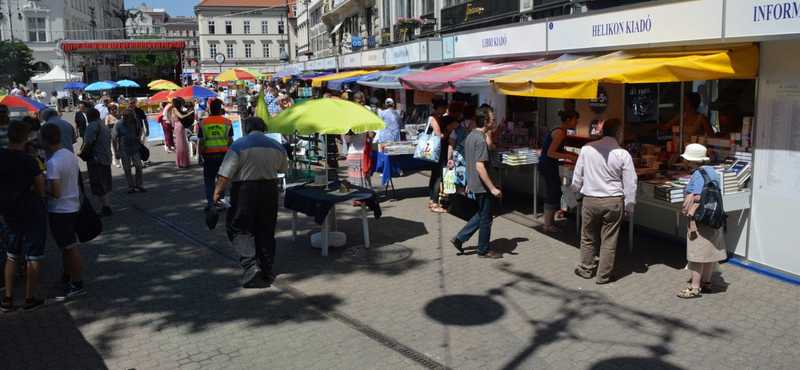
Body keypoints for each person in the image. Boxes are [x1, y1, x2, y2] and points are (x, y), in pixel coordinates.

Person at [213, 117, 288, 287]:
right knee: (266, 228)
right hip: (269, 189)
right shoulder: (277, 145)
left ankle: (250, 265)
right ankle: (266, 268)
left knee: (238, 227)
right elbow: (283, 169)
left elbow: (225, 173)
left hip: (244, 190)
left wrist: (217, 193)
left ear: (246, 128)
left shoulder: (239, 144)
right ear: (264, 128)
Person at [571, 119, 637, 284]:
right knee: (609, 240)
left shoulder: (587, 149)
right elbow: (630, 183)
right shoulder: (623, 154)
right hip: (613, 201)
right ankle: (603, 276)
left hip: (590, 199)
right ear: (617, 133)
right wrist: (629, 205)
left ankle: (585, 269)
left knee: (588, 237)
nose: (623, 136)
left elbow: (577, 177)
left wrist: (577, 194)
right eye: (622, 133)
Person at [0, 122, 48, 312]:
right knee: (33, 257)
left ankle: (7, 298)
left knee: (12, 256)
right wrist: (31, 187)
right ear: (25, 138)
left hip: (9, 212)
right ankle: (29, 298)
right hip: (32, 212)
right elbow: (42, 189)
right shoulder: (28, 160)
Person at [449, 106, 503, 259]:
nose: (494, 122)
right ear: (485, 122)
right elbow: (479, 166)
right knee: (486, 218)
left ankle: (460, 238)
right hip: (483, 185)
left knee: (482, 214)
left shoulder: (471, 136)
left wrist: (470, 182)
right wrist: (492, 188)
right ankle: (483, 250)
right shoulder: (479, 140)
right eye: (492, 120)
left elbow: (470, 162)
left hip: (476, 183)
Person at [41, 125, 86, 300]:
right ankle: (67, 277)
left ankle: (78, 283)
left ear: (45, 141)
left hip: (60, 209)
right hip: (72, 205)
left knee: (70, 247)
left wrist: (42, 187)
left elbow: (56, 192)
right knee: (66, 247)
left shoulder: (53, 162)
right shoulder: (69, 155)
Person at [676, 143, 727, 299]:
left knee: (697, 254)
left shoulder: (698, 174)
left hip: (700, 218)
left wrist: (688, 197)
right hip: (713, 217)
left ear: (691, 161)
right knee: (708, 252)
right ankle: (706, 282)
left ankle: (694, 287)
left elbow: (698, 196)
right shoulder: (712, 171)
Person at [538, 109, 580, 233]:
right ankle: (547, 225)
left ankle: (551, 222)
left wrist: (569, 153)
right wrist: (569, 156)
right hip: (547, 166)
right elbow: (551, 152)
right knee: (553, 193)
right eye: (575, 119)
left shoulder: (559, 130)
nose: (577, 122)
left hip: (548, 166)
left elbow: (557, 149)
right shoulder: (560, 132)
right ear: (568, 120)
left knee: (555, 192)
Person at [198, 99, 233, 211]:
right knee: (221, 180)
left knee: (209, 180)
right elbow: (230, 141)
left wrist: (199, 155)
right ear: (220, 109)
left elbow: (202, 141)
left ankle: (210, 203)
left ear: (209, 109)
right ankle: (219, 202)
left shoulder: (203, 123)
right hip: (224, 156)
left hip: (209, 156)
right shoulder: (227, 122)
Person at [78, 108, 113, 217]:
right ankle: (107, 205)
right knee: (105, 183)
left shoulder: (92, 126)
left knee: (98, 183)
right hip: (106, 158)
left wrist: (81, 151)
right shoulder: (104, 126)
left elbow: (89, 142)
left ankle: (106, 207)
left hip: (97, 159)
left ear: (88, 117)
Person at [644, 92, 715, 137]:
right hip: (680, 148)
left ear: (693, 103)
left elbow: (711, 136)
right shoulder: (682, 115)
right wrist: (653, 126)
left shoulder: (702, 119)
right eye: (683, 102)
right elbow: (665, 126)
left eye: (686, 102)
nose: (684, 104)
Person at [424, 98, 449, 213]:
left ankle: (431, 201)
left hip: (432, 152)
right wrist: (450, 131)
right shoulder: (434, 118)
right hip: (437, 152)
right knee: (439, 176)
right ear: (440, 107)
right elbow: (439, 136)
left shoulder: (430, 117)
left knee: (434, 175)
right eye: (444, 108)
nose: (445, 110)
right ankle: (434, 203)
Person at [113, 109, 146, 193]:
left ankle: (139, 184)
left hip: (135, 147)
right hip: (124, 149)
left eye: (126, 116)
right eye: (123, 115)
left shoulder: (136, 122)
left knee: (138, 166)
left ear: (131, 117)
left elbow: (140, 130)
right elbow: (114, 137)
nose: (124, 117)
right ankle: (130, 186)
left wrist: (139, 136)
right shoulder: (118, 124)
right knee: (127, 168)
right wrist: (116, 151)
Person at [448, 104, 477, 189]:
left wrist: (449, 158)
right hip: (472, 156)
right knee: (472, 181)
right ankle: (470, 199)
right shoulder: (477, 126)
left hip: (459, 157)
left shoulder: (457, 126)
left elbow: (451, 143)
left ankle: (461, 200)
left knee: (460, 182)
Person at [169, 97, 194, 168]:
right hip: (179, 127)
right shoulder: (174, 109)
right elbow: (181, 117)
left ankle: (181, 161)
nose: (182, 105)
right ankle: (183, 162)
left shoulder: (173, 109)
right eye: (182, 104)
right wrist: (189, 114)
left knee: (181, 144)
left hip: (178, 127)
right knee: (181, 145)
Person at [105, 104, 121, 168]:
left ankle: (122, 160)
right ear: (109, 110)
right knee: (114, 148)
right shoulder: (108, 117)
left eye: (115, 109)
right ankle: (116, 162)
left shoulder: (118, 116)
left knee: (120, 147)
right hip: (112, 134)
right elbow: (106, 126)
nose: (114, 111)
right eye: (112, 110)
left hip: (120, 134)